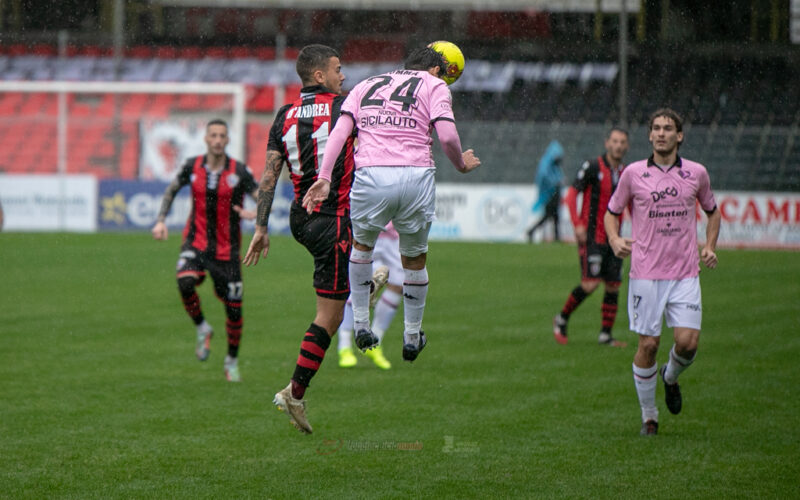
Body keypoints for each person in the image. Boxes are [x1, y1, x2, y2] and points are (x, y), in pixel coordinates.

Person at [302, 46, 480, 365]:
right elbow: (449, 138)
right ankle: (412, 335)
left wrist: (325, 176)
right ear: (436, 70)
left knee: (361, 248)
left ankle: (359, 324)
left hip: (371, 174)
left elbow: (341, 131)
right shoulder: (433, 85)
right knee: (414, 259)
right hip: (415, 175)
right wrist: (461, 165)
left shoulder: (366, 84)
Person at [243, 44, 354, 435]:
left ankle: (364, 283)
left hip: (300, 219)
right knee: (330, 316)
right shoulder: (344, 108)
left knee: (352, 278)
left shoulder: (284, 114)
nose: (344, 75)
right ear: (320, 76)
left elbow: (269, 177)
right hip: (332, 218)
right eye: (338, 69)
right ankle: (295, 391)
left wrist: (259, 227)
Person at [604, 108, 721, 436]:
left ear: (679, 136)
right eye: (655, 128)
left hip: (685, 272)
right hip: (646, 274)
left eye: (668, 128)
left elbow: (713, 212)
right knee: (648, 346)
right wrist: (614, 239)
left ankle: (669, 377)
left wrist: (710, 246)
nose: (661, 133)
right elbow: (611, 213)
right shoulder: (633, 174)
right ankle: (649, 417)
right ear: (650, 135)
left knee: (687, 343)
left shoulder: (696, 173)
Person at [152, 118, 258, 383]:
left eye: (223, 135)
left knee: (234, 311)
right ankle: (202, 328)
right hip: (196, 243)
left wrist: (255, 214)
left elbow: (263, 197)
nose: (218, 140)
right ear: (206, 139)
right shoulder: (192, 166)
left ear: (228, 140)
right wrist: (161, 219)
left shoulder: (239, 171)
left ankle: (231, 360)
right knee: (184, 282)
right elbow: (172, 190)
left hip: (227, 251)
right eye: (213, 135)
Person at [553, 128, 630, 347]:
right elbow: (570, 196)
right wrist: (577, 224)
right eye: (614, 141)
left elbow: (633, 204)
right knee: (590, 284)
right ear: (607, 143)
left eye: (622, 142)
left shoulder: (627, 173)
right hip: (592, 237)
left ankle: (606, 335)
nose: (618, 145)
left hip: (615, 238)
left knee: (613, 285)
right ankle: (561, 318)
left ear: (627, 146)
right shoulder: (593, 166)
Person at [337, 222, 402, 370]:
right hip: (369, 230)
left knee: (398, 285)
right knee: (362, 285)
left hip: (394, 234)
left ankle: (374, 342)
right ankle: (344, 346)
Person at [526, 140, 564, 243]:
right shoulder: (548, 162)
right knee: (550, 215)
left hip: (554, 193)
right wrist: (554, 183)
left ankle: (556, 236)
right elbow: (543, 176)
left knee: (554, 216)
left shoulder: (552, 163)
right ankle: (532, 231)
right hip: (551, 194)